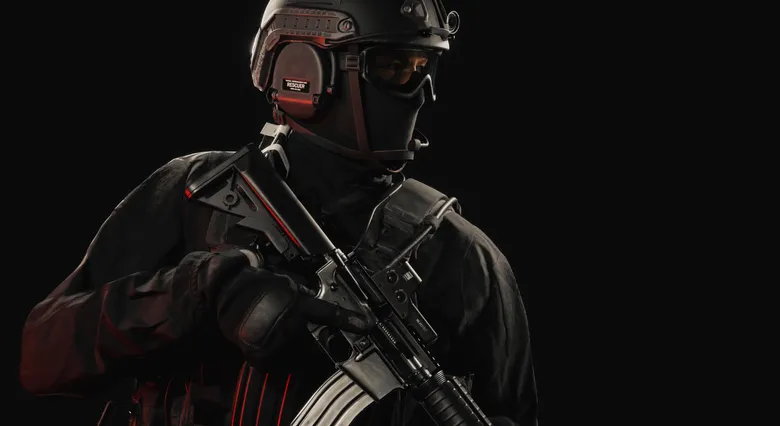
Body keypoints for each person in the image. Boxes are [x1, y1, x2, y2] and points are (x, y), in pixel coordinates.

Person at [19, 1, 537, 425]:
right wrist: (197, 295)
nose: (422, 93)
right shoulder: (198, 192)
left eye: (424, 68)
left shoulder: (465, 258)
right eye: (395, 67)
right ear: (305, 72)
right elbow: (41, 360)